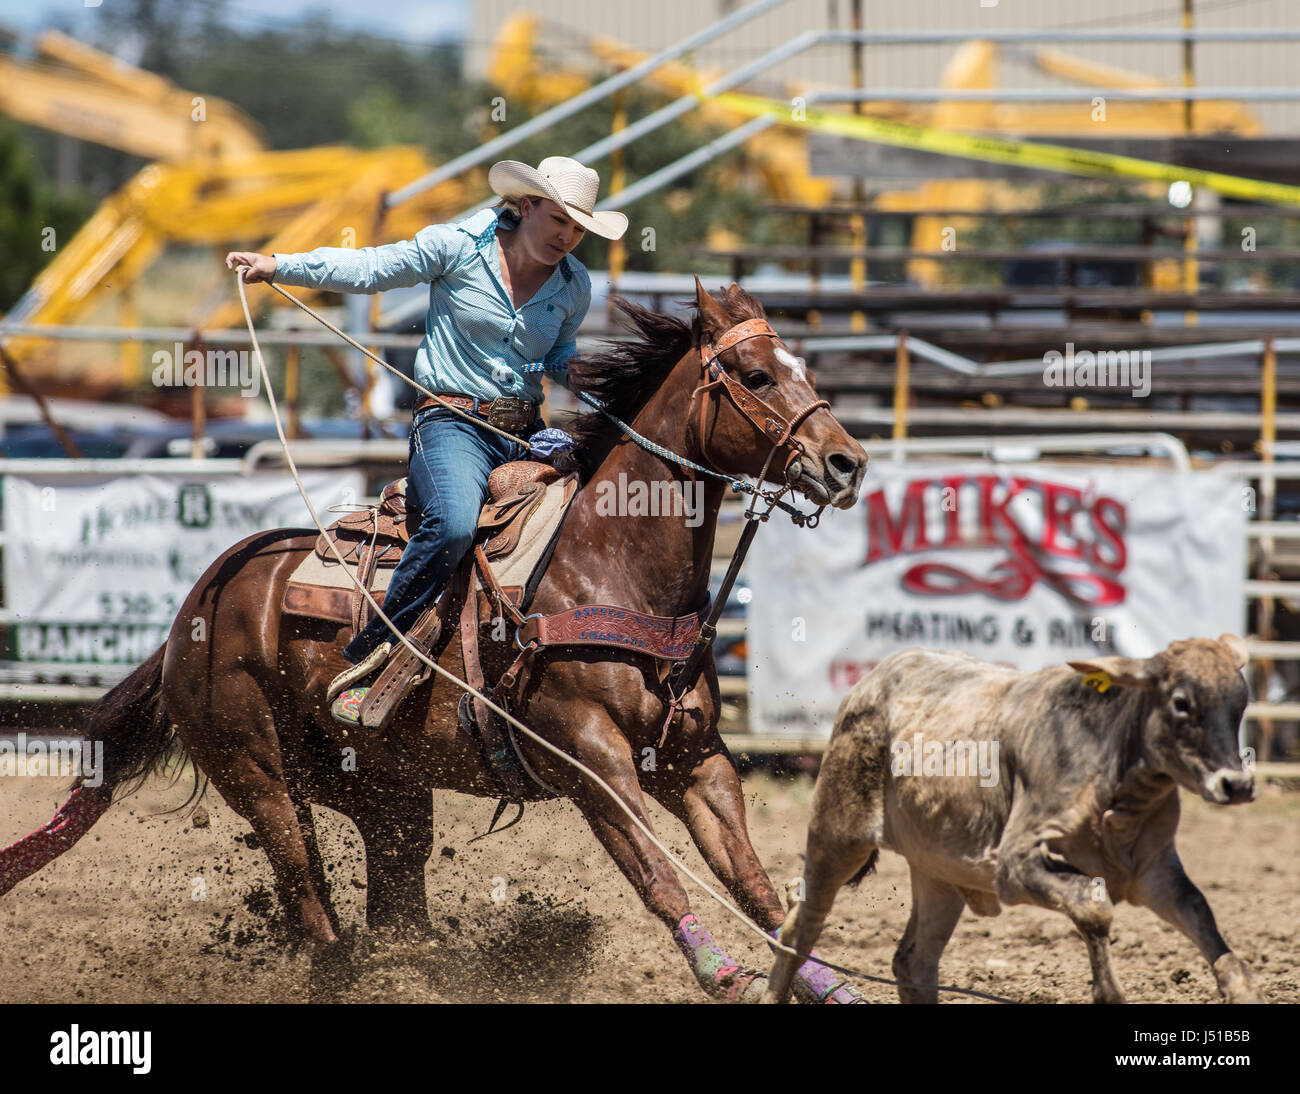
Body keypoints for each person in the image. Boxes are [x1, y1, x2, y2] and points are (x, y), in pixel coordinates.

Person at [226, 156, 628, 725]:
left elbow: (557, 356)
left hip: (527, 433)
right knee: (454, 523)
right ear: (528, 205)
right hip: (452, 423)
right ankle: (374, 653)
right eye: (560, 219)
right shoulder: (457, 246)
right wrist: (278, 264)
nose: (568, 236)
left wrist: (587, 379)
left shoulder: (574, 285)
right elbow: (371, 267)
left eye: (579, 227)